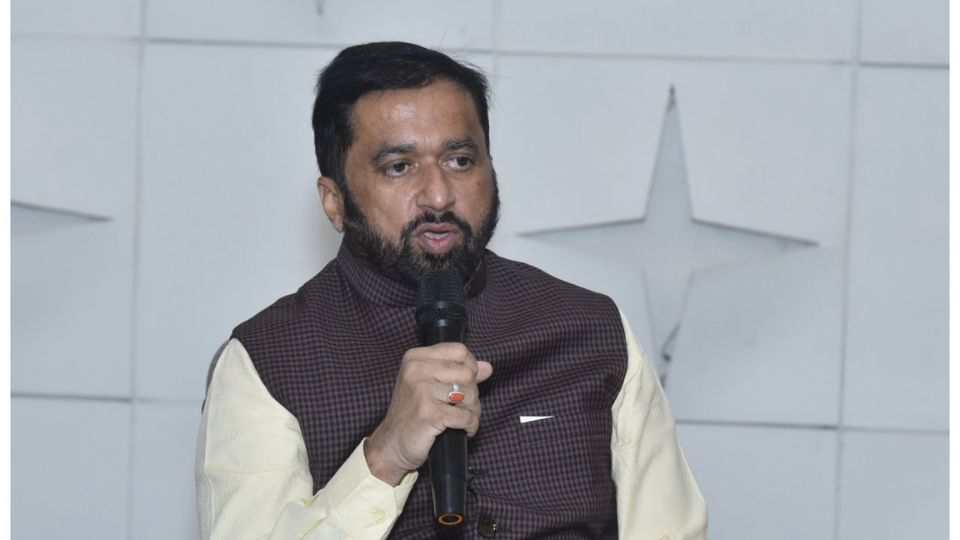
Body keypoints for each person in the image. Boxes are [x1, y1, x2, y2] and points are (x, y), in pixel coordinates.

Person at [195, 41, 707, 539]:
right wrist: (385, 457)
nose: (438, 196)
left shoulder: (590, 330)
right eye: (399, 167)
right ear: (335, 201)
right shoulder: (267, 359)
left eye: (460, 160)